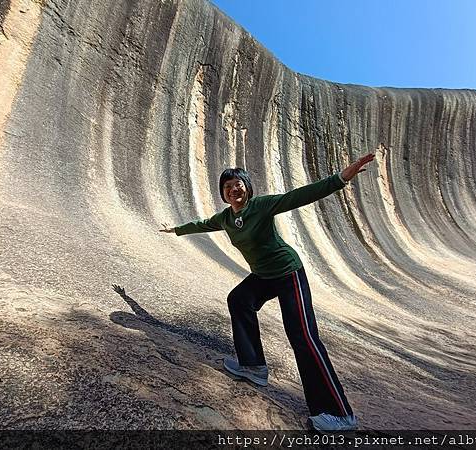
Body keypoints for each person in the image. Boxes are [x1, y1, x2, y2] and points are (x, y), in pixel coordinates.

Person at [159, 153, 375, 431]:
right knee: (239, 299)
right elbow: (201, 225)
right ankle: (253, 366)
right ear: (223, 195)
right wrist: (176, 230)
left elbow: (298, 196)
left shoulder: (261, 206)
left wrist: (340, 178)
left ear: (247, 188)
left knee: (303, 337)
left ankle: (339, 414)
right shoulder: (226, 218)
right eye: (228, 187)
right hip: (263, 276)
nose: (234, 189)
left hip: (288, 274)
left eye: (238, 184)